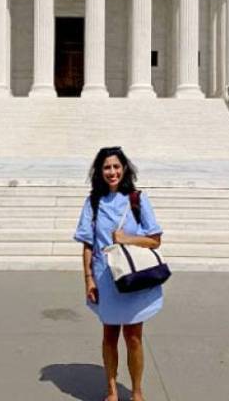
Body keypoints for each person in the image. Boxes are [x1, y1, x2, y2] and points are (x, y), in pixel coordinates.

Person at [74, 147, 163, 401]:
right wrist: (88, 279)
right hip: (105, 278)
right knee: (109, 335)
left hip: (132, 277)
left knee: (134, 337)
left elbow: (155, 240)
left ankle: (136, 391)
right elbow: (87, 244)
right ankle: (111, 390)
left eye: (116, 166)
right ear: (99, 172)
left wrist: (128, 239)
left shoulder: (137, 199)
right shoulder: (93, 201)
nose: (112, 172)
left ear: (124, 169)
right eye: (106, 167)